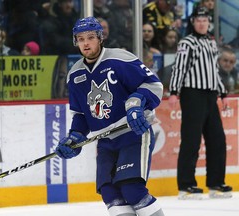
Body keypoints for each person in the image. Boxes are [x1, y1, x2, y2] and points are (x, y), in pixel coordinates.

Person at [54, 16, 165, 216]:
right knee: (111, 194)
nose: (86, 43)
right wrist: (75, 137)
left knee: (132, 189)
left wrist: (136, 103)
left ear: (100, 38)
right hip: (105, 142)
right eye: (80, 39)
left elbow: (153, 85)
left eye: (90, 37)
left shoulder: (119, 59)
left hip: (133, 133)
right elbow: (81, 114)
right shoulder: (74, 74)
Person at [168, 6, 232, 200]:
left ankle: (215, 183)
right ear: (193, 22)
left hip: (210, 95)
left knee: (217, 140)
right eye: (199, 20)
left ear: (208, 22)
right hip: (192, 94)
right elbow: (179, 68)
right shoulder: (187, 43)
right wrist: (173, 91)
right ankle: (186, 185)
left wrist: (221, 91)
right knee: (191, 140)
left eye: (205, 20)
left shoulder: (211, 42)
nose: (202, 23)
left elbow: (213, 70)